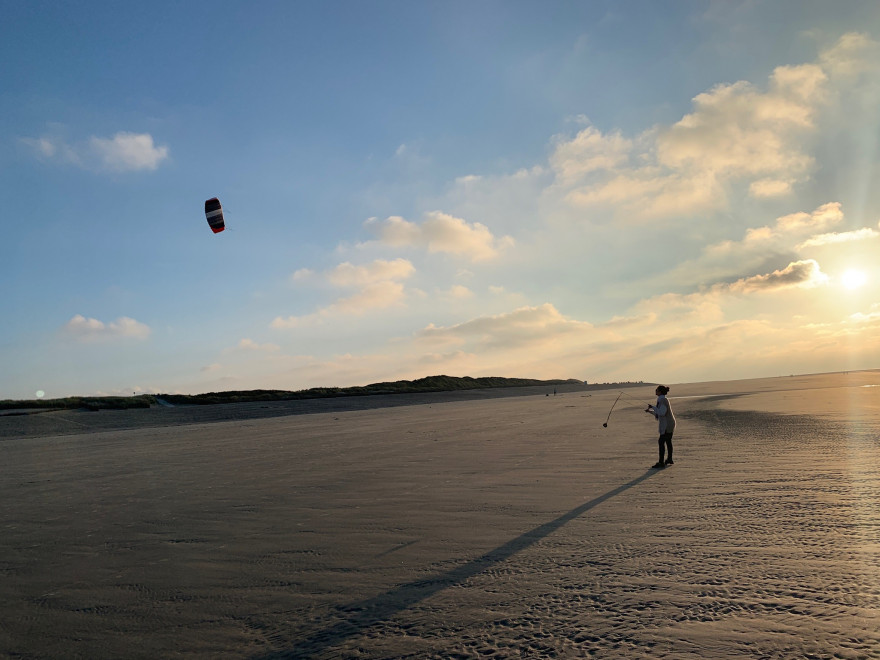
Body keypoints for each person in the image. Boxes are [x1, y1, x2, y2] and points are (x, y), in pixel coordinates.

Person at [645, 385, 675, 468]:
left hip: (667, 424)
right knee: (668, 441)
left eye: (657, 390)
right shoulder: (661, 399)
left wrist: (653, 407)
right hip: (669, 423)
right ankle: (669, 459)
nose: (655, 391)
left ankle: (661, 462)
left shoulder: (663, 400)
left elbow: (662, 413)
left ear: (660, 392)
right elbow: (660, 413)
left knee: (661, 442)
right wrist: (650, 411)